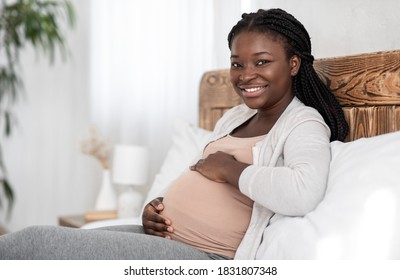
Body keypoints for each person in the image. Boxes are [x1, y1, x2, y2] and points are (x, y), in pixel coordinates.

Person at [0, 8, 348, 260]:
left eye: (261, 62)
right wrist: (154, 209)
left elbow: (304, 192)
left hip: (207, 259)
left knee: (33, 245)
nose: (245, 75)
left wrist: (230, 169)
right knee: (36, 248)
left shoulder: (303, 123)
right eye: (237, 63)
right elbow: (198, 177)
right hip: (166, 241)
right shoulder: (234, 117)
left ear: (293, 64)